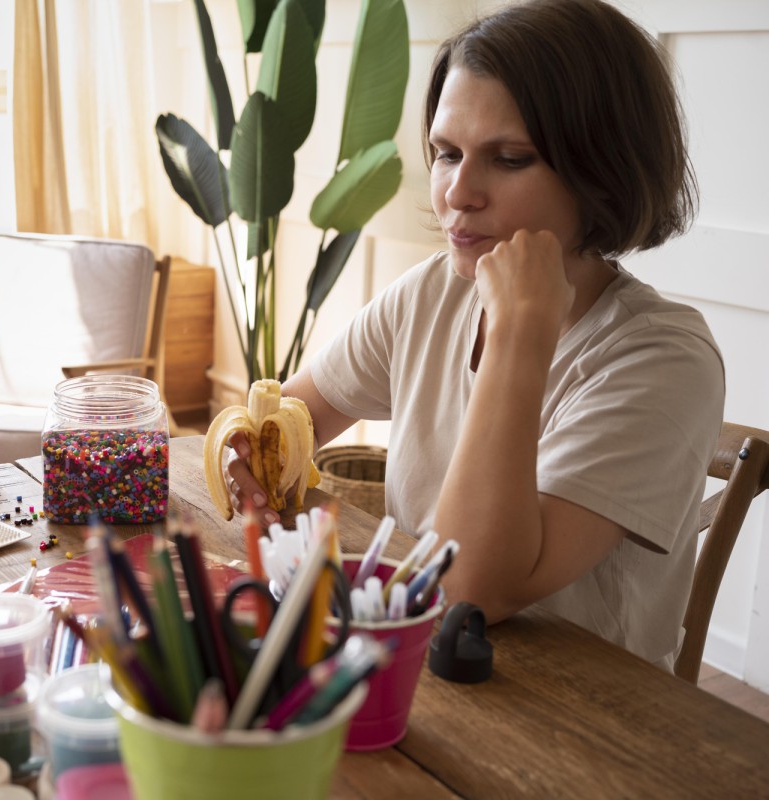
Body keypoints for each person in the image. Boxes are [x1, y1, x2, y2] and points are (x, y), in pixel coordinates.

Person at [227, 0, 724, 670]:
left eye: (509, 157)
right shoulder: (432, 291)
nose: (458, 192)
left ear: (601, 170)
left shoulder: (665, 359)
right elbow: (295, 415)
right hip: (419, 673)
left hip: (581, 727)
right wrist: (250, 456)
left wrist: (519, 333)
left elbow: (468, 589)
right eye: (446, 153)